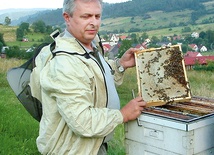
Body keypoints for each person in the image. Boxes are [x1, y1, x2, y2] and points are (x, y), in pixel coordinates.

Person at [30, 0, 147, 154]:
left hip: (93, 145)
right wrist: (122, 114)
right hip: (73, 149)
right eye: (86, 16)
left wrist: (120, 65)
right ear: (67, 17)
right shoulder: (64, 63)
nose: (94, 23)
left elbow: (95, 81)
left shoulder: (88, 45)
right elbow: (82, 121)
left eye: (97, 16)